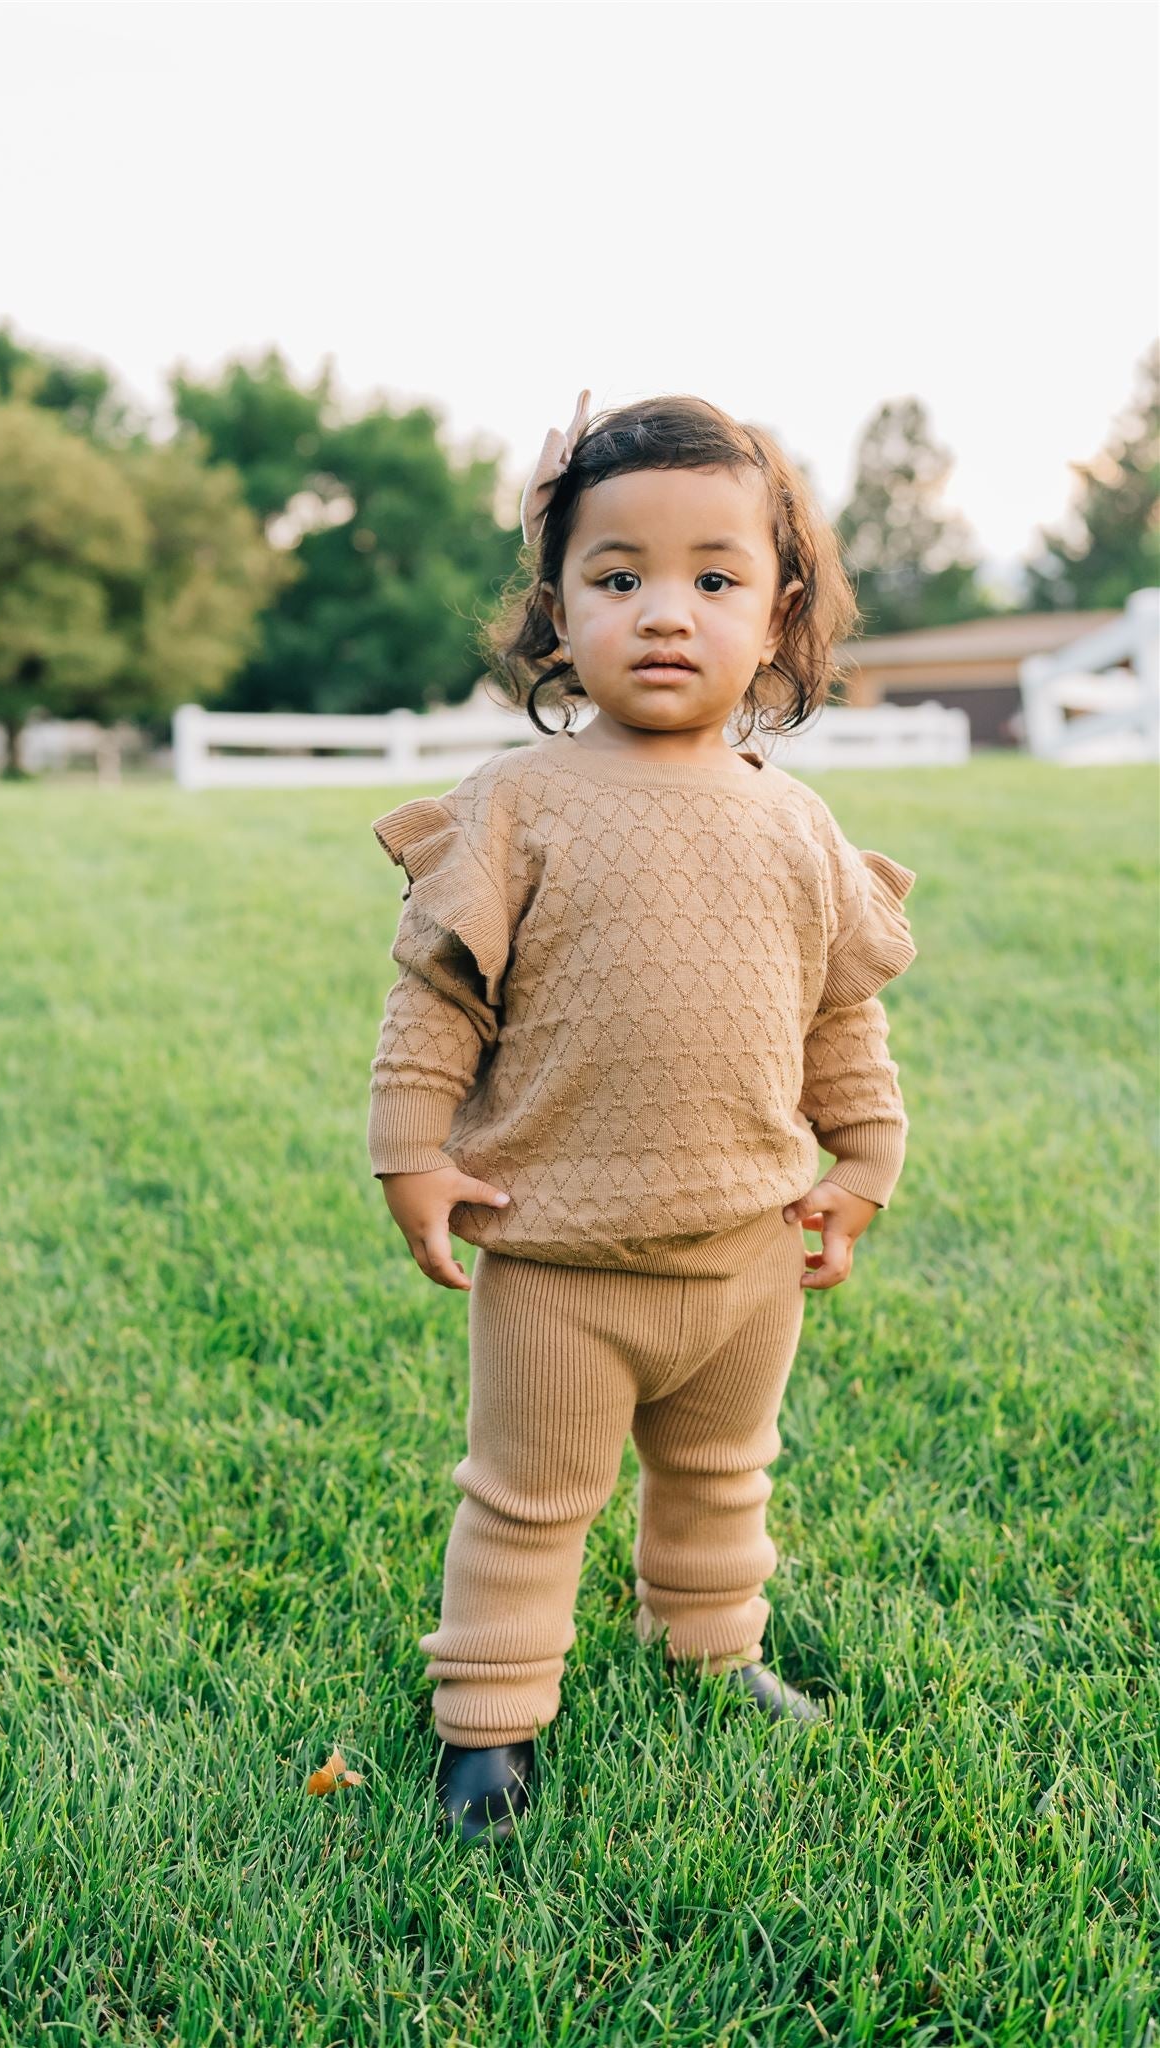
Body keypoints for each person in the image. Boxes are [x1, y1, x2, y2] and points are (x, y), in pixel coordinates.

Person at [366, 390, 919, 1842]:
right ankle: (487, 1726)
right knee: (528, 1500)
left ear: (777, 613)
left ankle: (712, 1648)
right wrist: (410, 1151)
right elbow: (436, 998)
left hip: (744, 1251)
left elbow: (835, 1010)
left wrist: (862, 1154)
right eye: (618, 579)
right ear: (556, 608)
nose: (664, 614)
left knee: (723, 1475)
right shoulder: (517, 805)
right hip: (555, 1256)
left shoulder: (792, 823)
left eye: (713, 580)